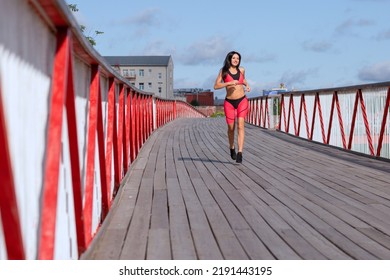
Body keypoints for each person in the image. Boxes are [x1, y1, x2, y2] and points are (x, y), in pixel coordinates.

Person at [214, 51, 251, 163]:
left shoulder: (242, 70)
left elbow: (242, 79)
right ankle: (232, 148)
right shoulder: (223, 71)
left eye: (238, 58)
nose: (236, 60)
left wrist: (247, 85)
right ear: (229, 59)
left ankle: (240, 152)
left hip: (242, 100)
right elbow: (216, 86)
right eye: (234, 58)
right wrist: (228, 83)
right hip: (229, 102)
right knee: (231, 128)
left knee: (240, 125)